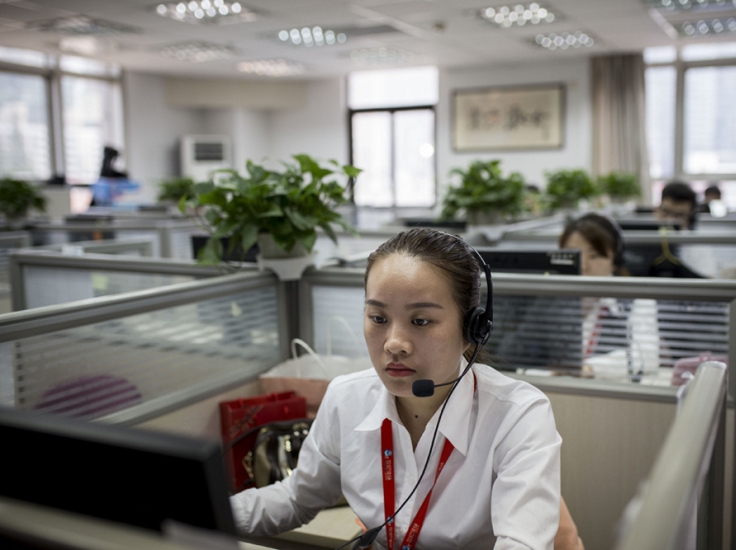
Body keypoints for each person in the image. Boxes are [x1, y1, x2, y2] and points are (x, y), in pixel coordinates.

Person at [230, 228, 573, 549]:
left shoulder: (517, 416)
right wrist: (210, 510)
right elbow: (296, 499)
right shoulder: (346, 399)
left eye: (420, 321)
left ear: (473, 330)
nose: (394, 343)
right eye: (378, 318)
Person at [559, 213, 659, 380]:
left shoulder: (636, 298)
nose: (583, 266)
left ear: (614, 261)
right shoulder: (551, 298)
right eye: (573, 255)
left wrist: (590, 368)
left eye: (594, 256)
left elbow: (647, 356)